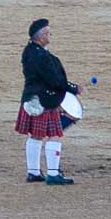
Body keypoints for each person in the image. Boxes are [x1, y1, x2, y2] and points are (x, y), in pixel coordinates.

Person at [16, 17, 75, 184]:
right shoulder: (42, 56)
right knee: (55, 135)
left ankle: (33, 171)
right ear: (40, 37)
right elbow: (55, 80)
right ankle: (53, 173)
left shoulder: (28, 51)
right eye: (48, 33)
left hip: (30, 98)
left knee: (35, 135)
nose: (50, 36)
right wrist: (73, 88)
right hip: (44, 101)